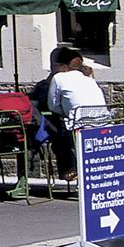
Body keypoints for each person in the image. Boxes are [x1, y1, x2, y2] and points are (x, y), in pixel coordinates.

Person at [45, 45, 107, 182]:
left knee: (59, 134)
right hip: (103, 123)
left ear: (62, 65)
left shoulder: (58, 78)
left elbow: (53, 106)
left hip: (81, 127)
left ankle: (70, 170)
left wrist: (66, 112)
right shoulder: (89, 79)